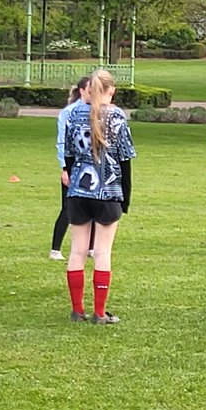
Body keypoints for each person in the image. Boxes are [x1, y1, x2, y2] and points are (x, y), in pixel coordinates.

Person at [63, 69, 136, 324]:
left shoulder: (73, 114)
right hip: (108, 191)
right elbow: (125, 159)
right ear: (111, 90)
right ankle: (99, 312)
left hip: (78, 191)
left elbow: (69, 155)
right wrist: (125, 197)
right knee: (102, 252)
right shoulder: (116, 116)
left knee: (77, 251)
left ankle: (77, 310)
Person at [51, 76, 91, 261]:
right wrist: (64, 168)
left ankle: (91, 247)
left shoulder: (97, 110)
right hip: (73, 163)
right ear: (82, 90)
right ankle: (56, 249)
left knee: (92, 204)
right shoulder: (69, 112)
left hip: (90, 164)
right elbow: (62, 142)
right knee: (68, 207)